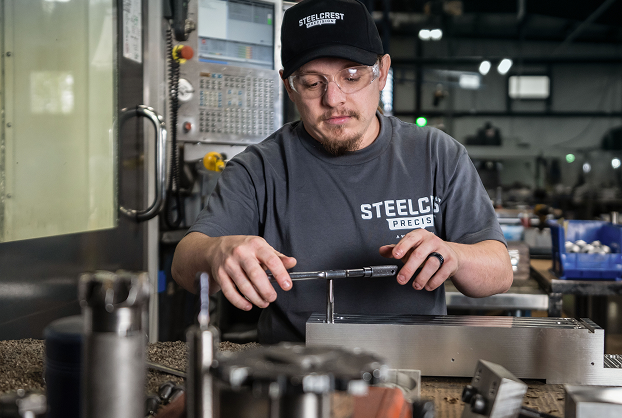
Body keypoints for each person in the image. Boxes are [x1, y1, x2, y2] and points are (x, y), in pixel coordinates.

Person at [172, 0, 513, 344]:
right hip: (292, 375)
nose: (333, 98)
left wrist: (455, 255)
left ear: (382, 72)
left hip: (415, 367)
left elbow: (498, 273)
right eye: (311, 83)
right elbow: (184, 264)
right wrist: (216, 253)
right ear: (289, 86)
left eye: (351, 76)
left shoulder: (437, 154)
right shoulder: (259, 168)